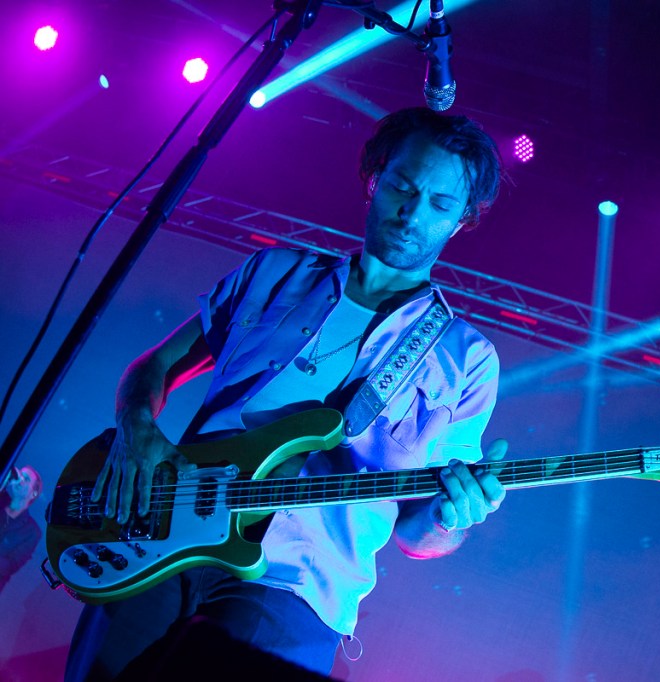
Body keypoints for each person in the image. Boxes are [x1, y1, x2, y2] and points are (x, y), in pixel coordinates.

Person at [64, 107, 508, 680]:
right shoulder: (273, 273)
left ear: (461, 221)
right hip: (163, 530)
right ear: (374, 177)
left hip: (299, 581)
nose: (413, 212)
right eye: (402, 186)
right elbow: (157, 365)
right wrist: (136, 430)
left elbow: (416, 535)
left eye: (441, 204)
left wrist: (452, 518)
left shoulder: (466, 358)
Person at [1, 464, 43, 595]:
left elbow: (10, 565)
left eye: (26, 479)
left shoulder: (32, 532)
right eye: (19, 476)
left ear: (33, 493)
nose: (20, 480)